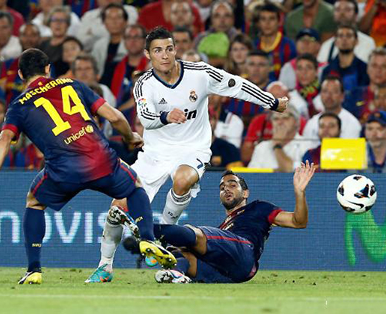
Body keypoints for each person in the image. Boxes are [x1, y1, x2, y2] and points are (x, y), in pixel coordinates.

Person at [88, 27, 288, 283]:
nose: (165, 55)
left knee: (183, 179)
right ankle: (105, 265)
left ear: (175, 50)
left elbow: (236, 85)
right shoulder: (144, 84)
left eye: (169, 49)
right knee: (118, 206)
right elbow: (146, 118)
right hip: (155, 153)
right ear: (148, 55)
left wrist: (271, 101)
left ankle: (162, 239)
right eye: (158, 50)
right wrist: (165, 116)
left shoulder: (200, 74)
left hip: (193, 148)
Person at [0, 48, 176, 285]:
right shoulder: (71, 85)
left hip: (63, 171)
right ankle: (148, 238)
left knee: (34, 202)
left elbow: (3, 140)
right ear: (48, 68)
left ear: (20, 74)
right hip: (100, 159)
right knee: (134, 186)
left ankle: (34, 270)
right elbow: (113, 116)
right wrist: (130, 137)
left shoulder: (19, 105)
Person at [121, 164, 315, 283]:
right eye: (222, 187)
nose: (226, 189)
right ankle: (176, 273)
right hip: (232, 274)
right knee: (182, 253)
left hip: (244, 251)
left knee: (194, 235)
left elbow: (299, 222)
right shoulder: (223, 228)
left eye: (232, 184)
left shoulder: (259, 208)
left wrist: (300, 192)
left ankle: (146, 231)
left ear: (245, 192)